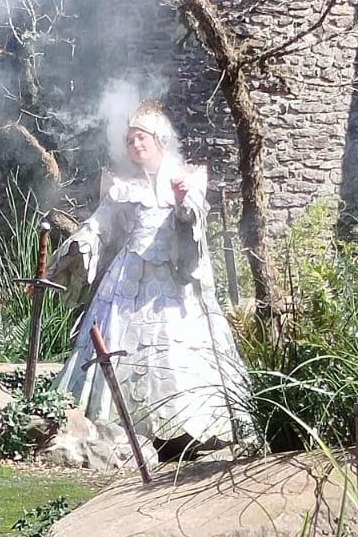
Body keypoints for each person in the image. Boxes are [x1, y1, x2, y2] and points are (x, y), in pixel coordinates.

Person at [48, 100, 248, 450]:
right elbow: (102, 223)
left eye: (142, 138)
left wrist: (183, 200)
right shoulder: (124, 186)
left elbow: (193, 219)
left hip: (174, 281)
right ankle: (115, 427)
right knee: (116, 345)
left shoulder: (186, 178)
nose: (135, 144)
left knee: (180, 347)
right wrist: (83, 241)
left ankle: (191, 427)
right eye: (130, 140)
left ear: (159, 140)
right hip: (128, 281)